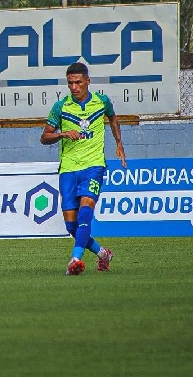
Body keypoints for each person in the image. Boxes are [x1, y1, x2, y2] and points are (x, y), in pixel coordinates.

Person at [41, 62, 126, 276]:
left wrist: (119, 143)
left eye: (78, 82)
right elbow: (44, 137)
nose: (74, 87)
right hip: (68, 168)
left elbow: (113, 117)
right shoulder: (61, 107)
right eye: (70, 83)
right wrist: (62, 134)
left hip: (93, 165)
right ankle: (103, 253)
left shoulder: (101, 101)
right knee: (72, 226)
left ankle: (75, 259)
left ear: (88, 81)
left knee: (86, 211)